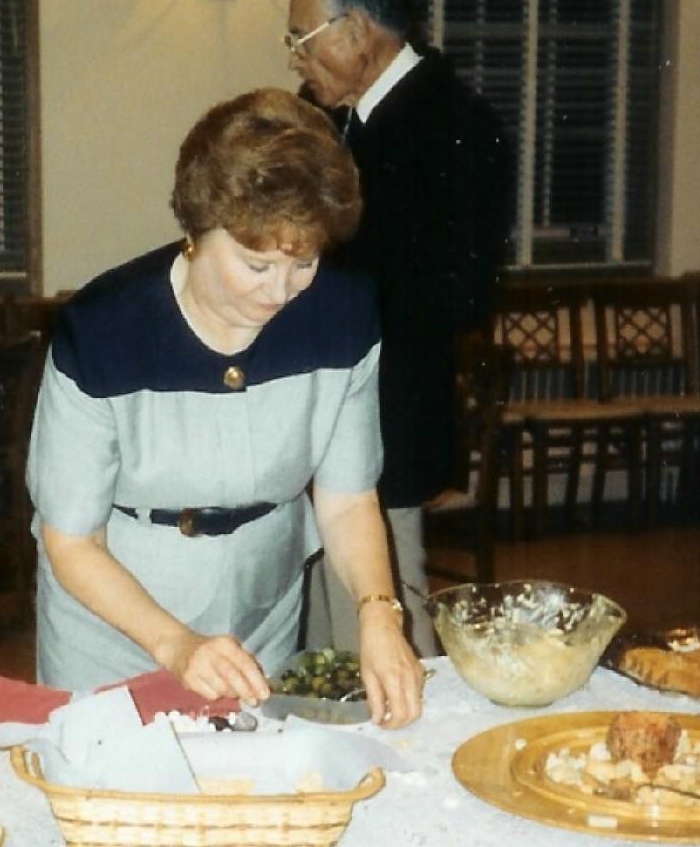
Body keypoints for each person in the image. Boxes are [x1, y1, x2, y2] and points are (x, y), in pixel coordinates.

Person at [26, 88, 424, 728]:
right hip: (114, 635)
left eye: (305, 263)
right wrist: (175, 645)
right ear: (196, 229)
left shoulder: (344, 315)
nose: (282, 292)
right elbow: (72, 540)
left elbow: (347, 500)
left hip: (260, 620)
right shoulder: (104, 330)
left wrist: (379, 612)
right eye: (256, 264)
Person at [287, 0, 511, 657]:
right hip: (328, 397)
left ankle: (418, 751)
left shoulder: (452, 123)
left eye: (300, 38)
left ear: (355, 31)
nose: (293, 57)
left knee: (391, 600)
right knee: (325, 605)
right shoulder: (337, 118)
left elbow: (459, 293)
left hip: (392, 404)